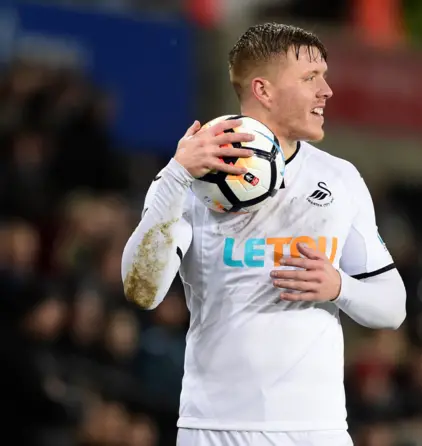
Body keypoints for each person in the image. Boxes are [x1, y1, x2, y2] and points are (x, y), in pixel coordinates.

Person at [121, 23, 406, 446]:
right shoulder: (191, 176)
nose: (326, 91)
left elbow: (393, 307)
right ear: (264, 90)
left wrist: (339, 286)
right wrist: (176, 176)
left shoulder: (340, 178)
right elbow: (141, 291)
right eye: (311, 78)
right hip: (213, 430)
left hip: (318, 431)